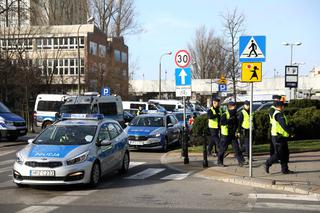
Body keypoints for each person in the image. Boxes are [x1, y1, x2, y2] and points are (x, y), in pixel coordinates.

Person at [265, 101, 294, 174]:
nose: (284, 107)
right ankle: (267, 163)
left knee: (285, 153)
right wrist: (291, 133)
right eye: (283, 106)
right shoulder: (278, 114)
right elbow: (283, 125)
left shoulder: (280, 113)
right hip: (278, 137)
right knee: (278, 154)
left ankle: (285, 170)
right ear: (281, 106)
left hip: (282, 136)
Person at [217, 101, 244, 167]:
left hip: (232, 135)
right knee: (222, 149)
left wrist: (237, 132)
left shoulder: (235, 114)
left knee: (237, 148)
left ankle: (241, 161)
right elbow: (222, 123)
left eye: (235, 106)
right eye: (234, 106)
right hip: (225, 135)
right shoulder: (225, 114)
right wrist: (230, 121)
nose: (235, 107)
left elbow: (237, 124)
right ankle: (219, 162)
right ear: (230, 107)